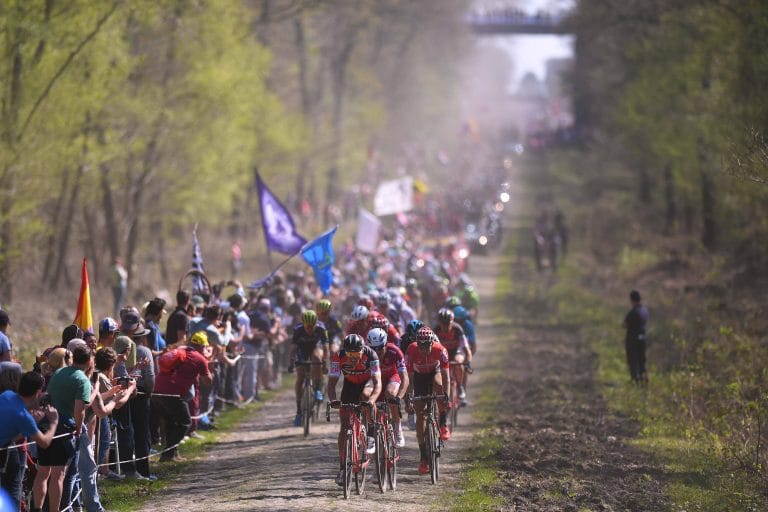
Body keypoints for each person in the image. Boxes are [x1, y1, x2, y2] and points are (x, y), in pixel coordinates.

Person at [33, 345, 91, 512]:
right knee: (58, 475)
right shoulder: (82, 379)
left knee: (43, 472)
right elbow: (79, 409)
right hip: (64, 430)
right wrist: (79, 429)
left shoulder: (58, 373)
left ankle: (37, 508)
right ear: (88, 361)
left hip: (46, 427)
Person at [326, 334, 381, 486]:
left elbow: (378, 383)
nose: (353, 357)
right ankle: (343, 467)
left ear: (362, 350)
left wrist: (371, 400)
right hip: (349, 386)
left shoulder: (371, 355)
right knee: (344, 427)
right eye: (350, 354)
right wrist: (333, 401)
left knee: (366, 396)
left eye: (357, 354)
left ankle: (371, 431)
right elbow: (331, 383)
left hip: (367, 383)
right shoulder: (339, 356)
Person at [0, 371, 59, 510]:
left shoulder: (6, 395)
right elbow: (44, 442)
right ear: (38, 391)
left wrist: (30, 413)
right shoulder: (23, 417)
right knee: (12, 491)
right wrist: (54, 422)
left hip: (6, 446)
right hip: (3, 451)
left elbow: (9, 422)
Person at [152, 331, 213, 462]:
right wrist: (208, 362)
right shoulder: (200, 359)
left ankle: (172, 455)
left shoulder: (179, 350)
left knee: (171, 422)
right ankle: (168, 454)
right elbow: (207, 381)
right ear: (202, 347)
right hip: (172, 394)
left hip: (157, 390)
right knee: (185, 422)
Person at [405, 327, 451, 475]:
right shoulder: (411, 350)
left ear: (433, 342)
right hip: (418, 378)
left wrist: (446, 396)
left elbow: (446, 377)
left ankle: (443, 422)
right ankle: (423, 457)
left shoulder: (440, 350)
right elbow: (409, 379)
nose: (424, 349)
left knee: (439, 387)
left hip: (434, 373)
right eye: (421, 346)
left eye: (427, 346)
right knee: (420, 415)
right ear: (417, 343)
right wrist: (409, 398)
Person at [366, 328, 408, 447]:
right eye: (373, 349)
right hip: (374, 378)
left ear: (385, 344)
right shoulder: (365, 353)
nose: (377, 352)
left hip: (392, 377)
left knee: (390, 393)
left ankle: (397, 426)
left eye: (380, 348)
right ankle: (370, 428)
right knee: (365, 395)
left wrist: (399, 397)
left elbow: (404, 378)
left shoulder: (395, 351)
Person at [288, 310, 329, 426]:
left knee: (317, 359)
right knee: (300, 377)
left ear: (316, 323)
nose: (310, 329)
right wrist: (291, 363)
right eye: (307, 327)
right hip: (302, 349)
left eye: (312, 326)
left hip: (315, 348)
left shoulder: (321, 328)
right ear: (304, 324)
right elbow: (293, 349)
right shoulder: (298, 329)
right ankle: (299, 411)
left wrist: (325, 363)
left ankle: (317, 389)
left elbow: (326, 348)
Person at [432, 307, 472, 404]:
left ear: (452, 321)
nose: (446, 327)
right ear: (439, 323)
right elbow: (431, 351)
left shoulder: (457, 329)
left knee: (458, 362)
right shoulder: (436, 331)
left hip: (456, 351)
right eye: (443, 324)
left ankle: (459, 386)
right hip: (442, 353)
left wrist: (468, 364)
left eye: (448, 324)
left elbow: (467, 350)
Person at [623, 290, 649, 386]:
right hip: (642, 338)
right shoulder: (644, 310)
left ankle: (636, 381)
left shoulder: (633, 312)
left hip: (633, 340)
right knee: (642, 359)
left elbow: (625, 324)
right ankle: (644, 377)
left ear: (632, 299)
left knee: (633, 361)